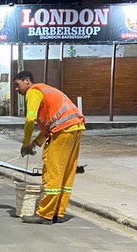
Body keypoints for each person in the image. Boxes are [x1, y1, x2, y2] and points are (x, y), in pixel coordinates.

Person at [14, 71, 85, 225]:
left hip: (63, 130)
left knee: (53, 171)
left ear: (27, 81)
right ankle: (58, 212)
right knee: (66, 172)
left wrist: (25, 143)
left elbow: (30, 120)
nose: (16, 89)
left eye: (17, 84)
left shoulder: (33, 92)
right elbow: (47, 126)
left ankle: (45, 214)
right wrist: (35, 143)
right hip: (75, 128)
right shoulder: (46, 92)